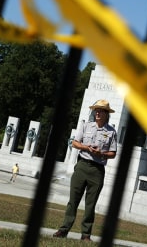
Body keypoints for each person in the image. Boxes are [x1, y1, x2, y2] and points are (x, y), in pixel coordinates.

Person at [53, 99, 118, 242]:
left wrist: (101, 154)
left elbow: (113, 153)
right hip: (82, 165)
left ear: (107, 114)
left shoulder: (112, 132)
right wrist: (86, 148)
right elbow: (75, 143)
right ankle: (63, 230)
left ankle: (86, 234)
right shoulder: (85, 126)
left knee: (91, 204)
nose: (97, 112)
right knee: (73, 200)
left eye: (100, 110)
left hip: (97, 169)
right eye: (96, 110)